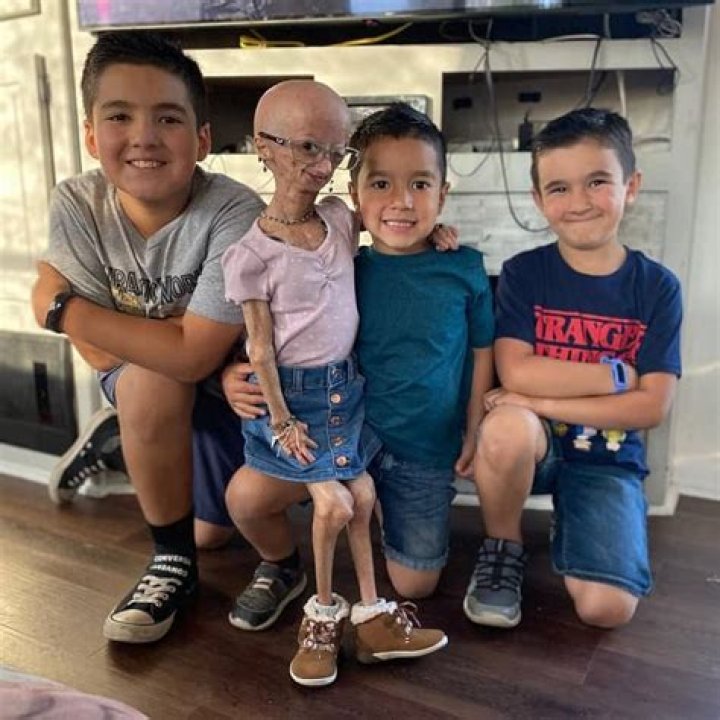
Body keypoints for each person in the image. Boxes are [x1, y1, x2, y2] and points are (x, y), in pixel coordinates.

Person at [31, 31, 265, 643]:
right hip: (156, 377)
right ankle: (170, 563)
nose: (144, 136)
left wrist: (60, 309)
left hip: (223, 379)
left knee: (214, 533)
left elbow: (195, 354)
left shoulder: (235, 211)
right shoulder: (77, 202)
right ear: (91, 136)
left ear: (202, 139)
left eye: (168, 118)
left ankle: (125, 438)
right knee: (152, 385)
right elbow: (103, 352)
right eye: (119, 117)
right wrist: (174, 344)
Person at [223, 100, 494, 624]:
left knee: (416, 583)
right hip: (340, 430)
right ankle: (283, 563)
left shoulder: (463, 268)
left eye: (420, 184)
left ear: (443, 194)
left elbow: (483, 350)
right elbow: (281, 329)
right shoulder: (342, 258)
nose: (401, 201)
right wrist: (234, 374)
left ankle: (383, 508)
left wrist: (475, 427)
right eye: (381, 184)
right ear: (354, 195)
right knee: (244, 498)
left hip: (422, 449)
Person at [464, 107, 682, 631]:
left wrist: (538, 400)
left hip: (608, 460)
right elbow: (517, 372)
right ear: (539, 200)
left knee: (606, 610)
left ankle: (580, 518)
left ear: (631, 186)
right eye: (559, 188)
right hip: (537, 445)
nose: (579, 202)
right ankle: (503, 547)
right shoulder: (524, 273)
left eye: (597, 181)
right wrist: (615, 376)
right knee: (507, 427)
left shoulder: (657, 287)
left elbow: (651, 407)